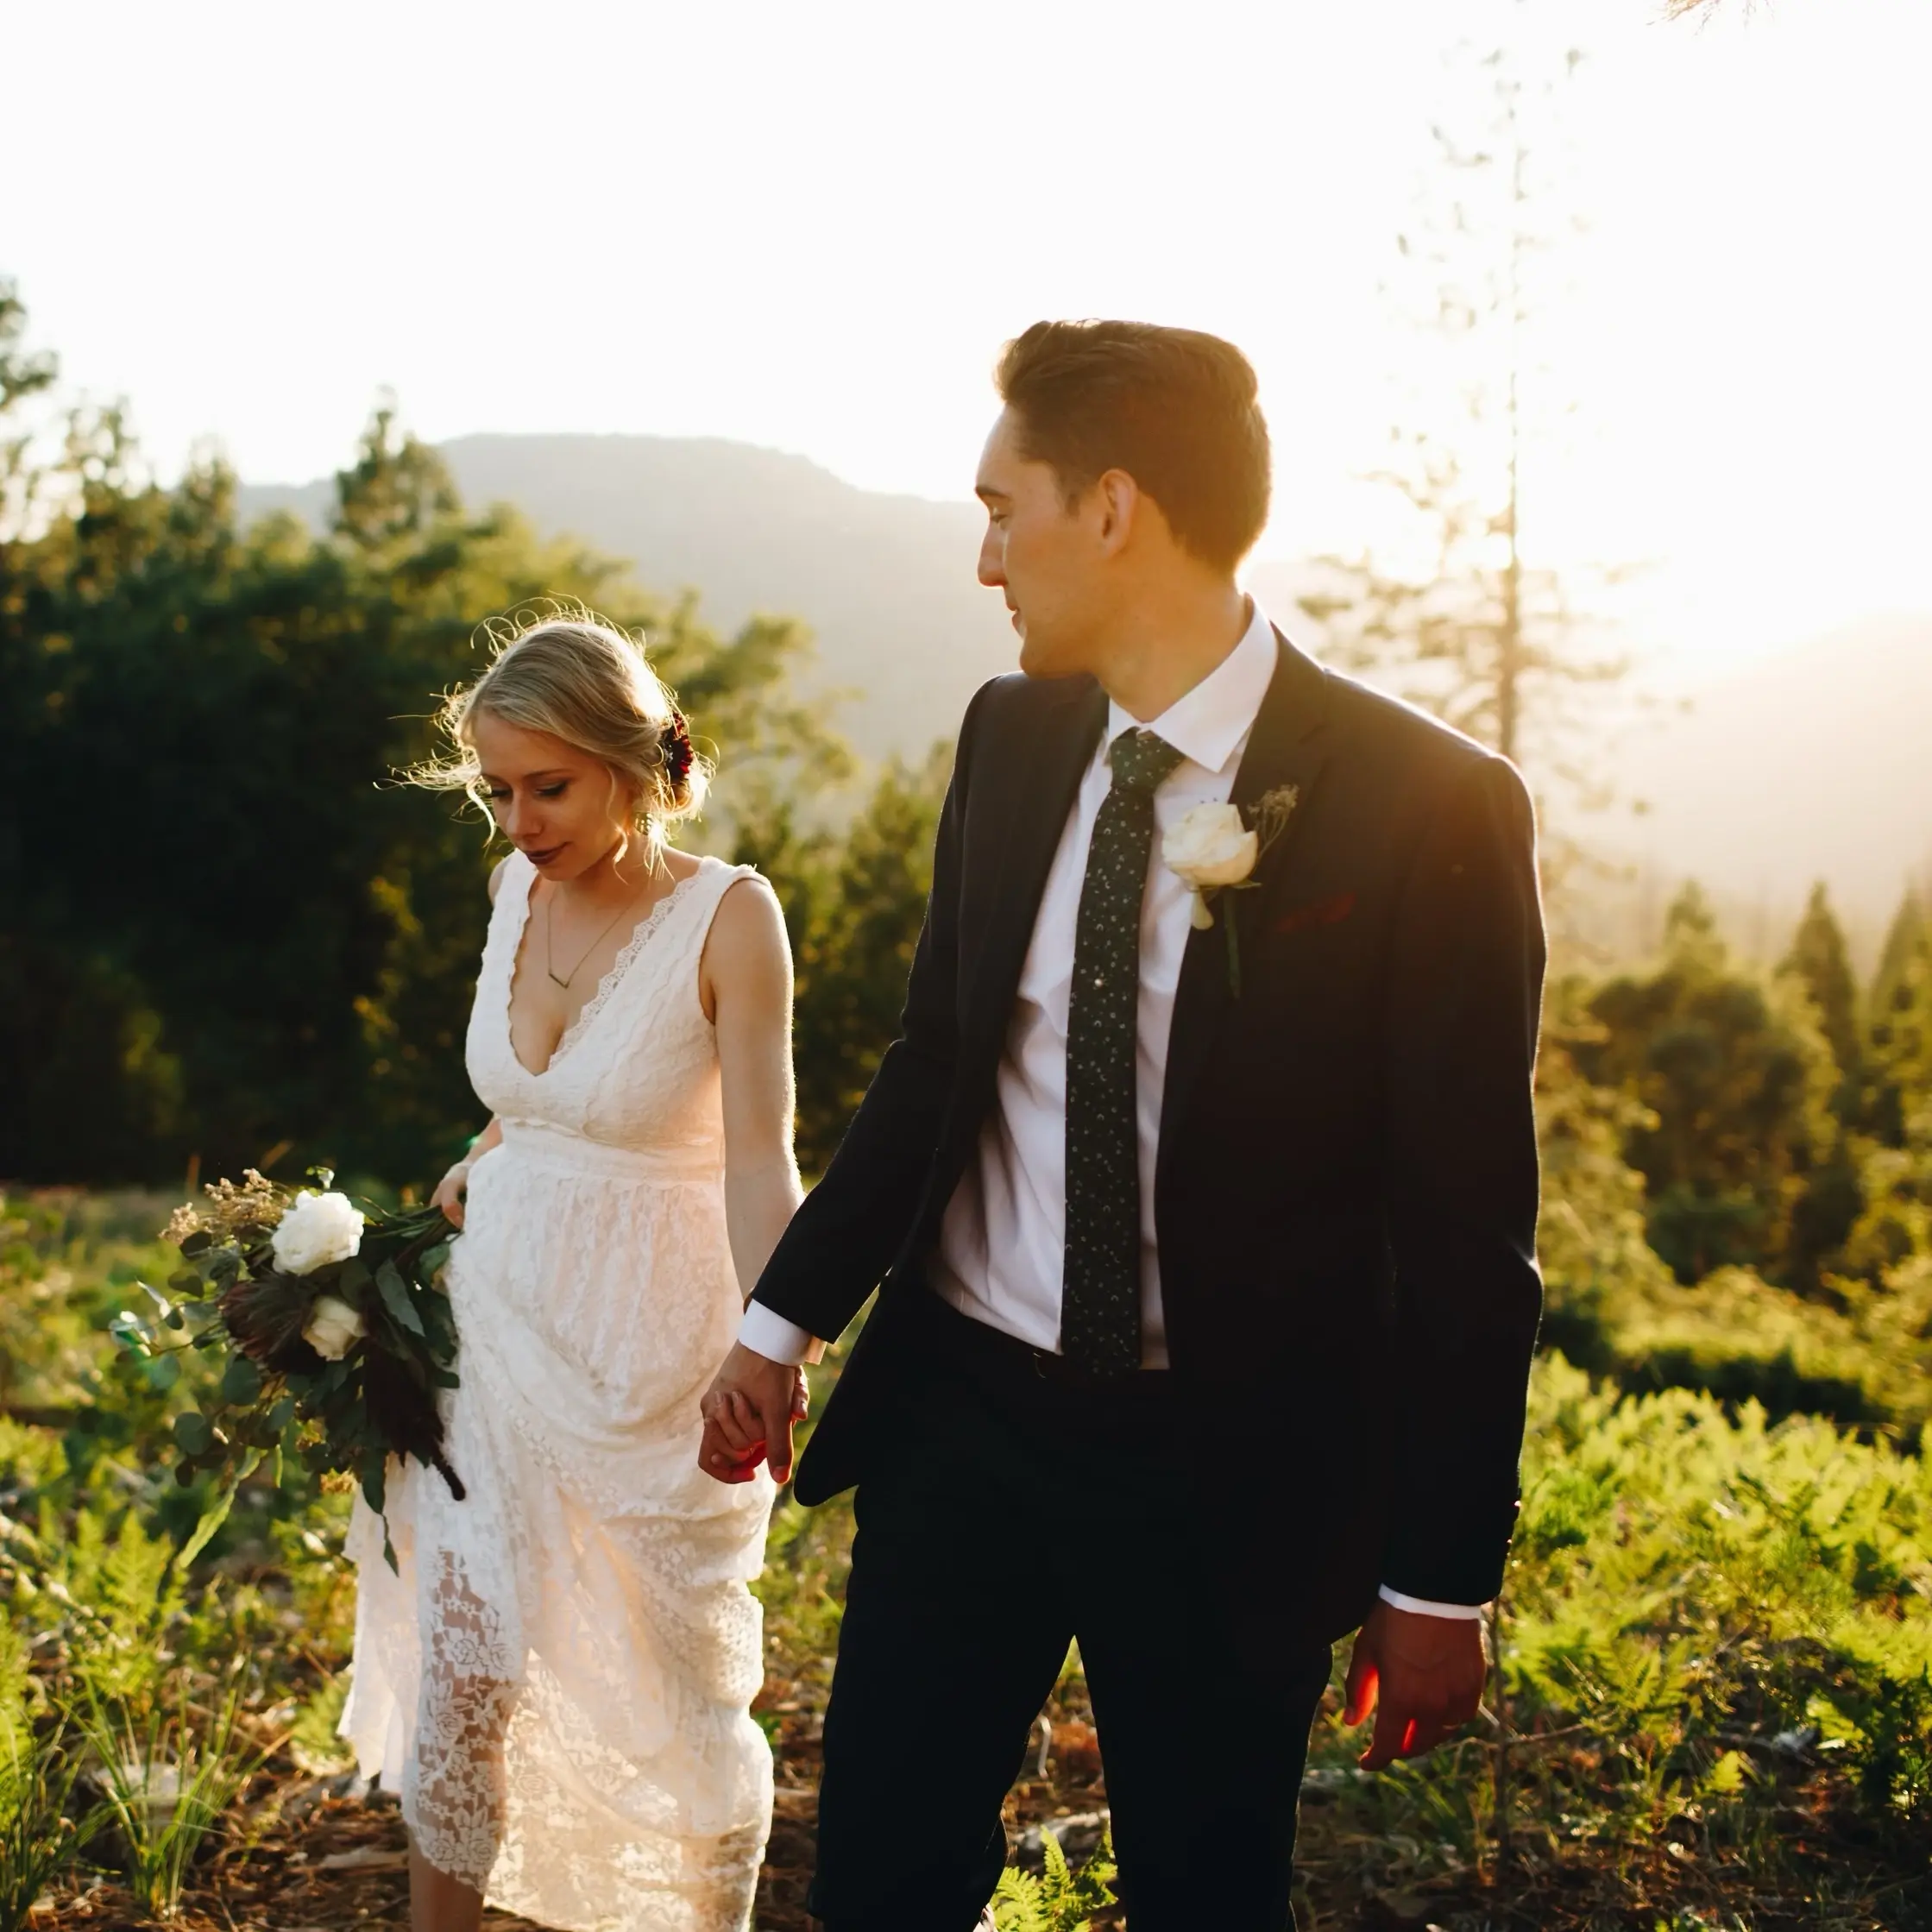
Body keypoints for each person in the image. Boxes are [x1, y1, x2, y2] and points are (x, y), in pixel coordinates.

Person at [697, 321, 1546, 1930]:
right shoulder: (1009, 739)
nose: (981, 559)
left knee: (1205, 1894)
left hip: (1225, 1460)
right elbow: (933, 1061)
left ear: (1111, 509)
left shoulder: (1428, 802)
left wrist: (1437, 1574)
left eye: (999, 508)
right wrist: (780, 1319)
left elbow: (1464, 1230)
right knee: (877, 1878)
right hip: (961, 1415)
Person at [342, 611, 809, 1932]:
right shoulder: (512, 895)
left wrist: (771, 1348)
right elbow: (532, 1104)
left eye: (548, 785)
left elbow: (759, 1161)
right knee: (469, 1673)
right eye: (498, 790)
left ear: (631, 757)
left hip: (657, 1349)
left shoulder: (731, 915)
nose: (518, 821)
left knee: (680, 1695)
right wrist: (474, 1159)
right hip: (491, 1328)